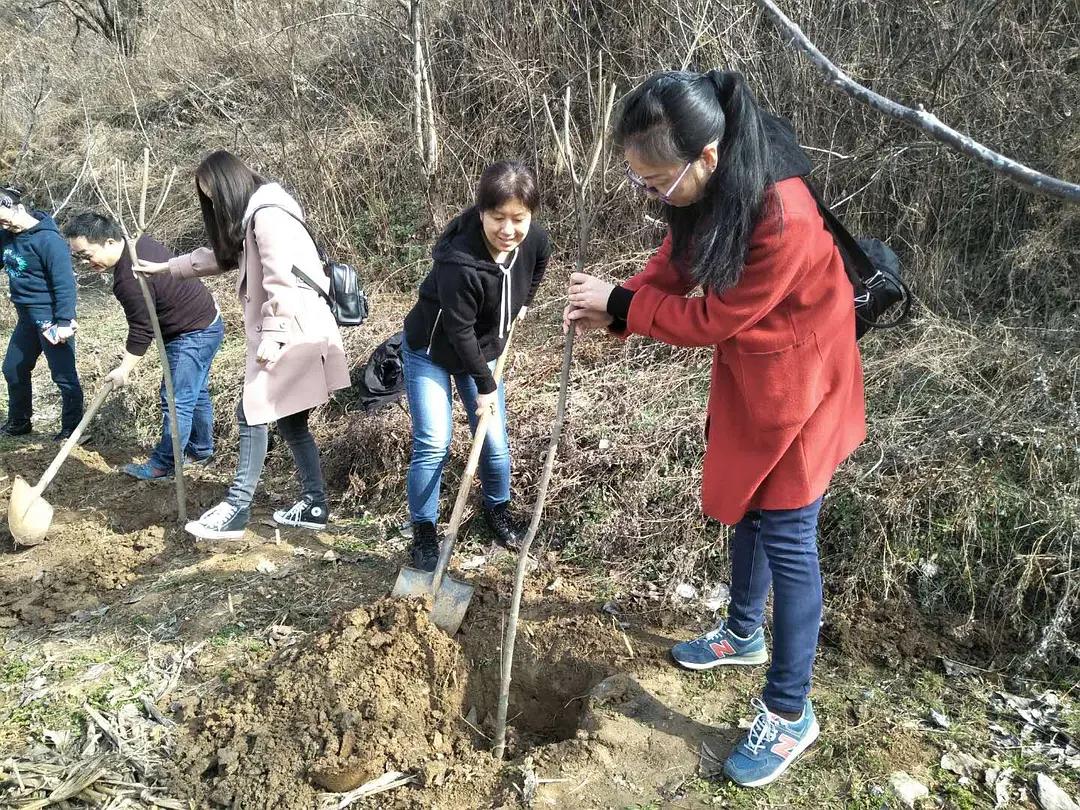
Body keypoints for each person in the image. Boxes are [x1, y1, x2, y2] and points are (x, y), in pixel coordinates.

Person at [564, 70, 866, 788]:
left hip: (805, 385)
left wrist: (622, 308)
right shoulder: (703, 188)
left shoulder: (781, 215)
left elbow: (713, 318)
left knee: (788, 532)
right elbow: (677, 259)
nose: (652, 196)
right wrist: (622, 305)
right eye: (640, 182)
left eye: (657, 182)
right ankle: (741, 633)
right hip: (757, 377)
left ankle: (791, 713)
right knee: (750, 507)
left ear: (705, 157)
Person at [137, 150, 349, 541]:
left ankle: (236, 507)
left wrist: (273, 333)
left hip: (292, 330)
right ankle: (314, 503)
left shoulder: (267, 215)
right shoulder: (258, 214)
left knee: (252, 410)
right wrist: (167, 268)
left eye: (214, 196)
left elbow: (280, 278)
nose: (214, 205)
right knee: (290, 420)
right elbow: (225, 256)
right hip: (301, 327)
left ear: (229, 187)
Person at [401, 161, 550, 571]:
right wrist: (485, 385)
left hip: (481, 349)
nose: (508, 229)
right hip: (431, 349)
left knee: (495, 441)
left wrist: (523, 305)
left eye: (518, 218)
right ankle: (425, 533)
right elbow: (459, 329)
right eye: (497, 217)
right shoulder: (458, 261)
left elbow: (538, 264)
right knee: (434, 440)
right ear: (481, 211)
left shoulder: (533, 236)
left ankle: (497, 512)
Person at [63, 212, 224, 479]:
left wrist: (123, 369)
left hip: (192, 332)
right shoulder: (134, 242)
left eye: (86, 254)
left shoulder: (129, 280)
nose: (84, 262)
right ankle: (200, 450)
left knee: (175, 400)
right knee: (194, 393)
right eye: (77, 257)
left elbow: (141, 330)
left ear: (111, 241)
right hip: (207, 321)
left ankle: (165, 464)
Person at [0, 185, 84, 441]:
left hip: (50, 317)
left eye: (5, 220)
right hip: (26, 316)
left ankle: (73, 428)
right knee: (13, 368)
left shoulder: (49, 241)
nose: (3, 227)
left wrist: (64, 321)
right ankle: (19, 421)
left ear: (19, 208)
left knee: (63, 375)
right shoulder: (6, 236)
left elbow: (65, 283)